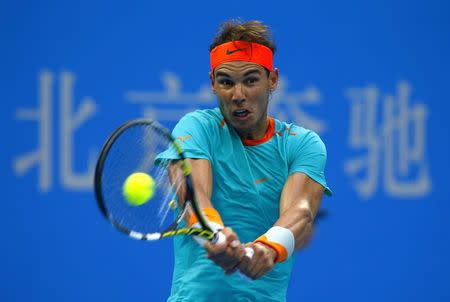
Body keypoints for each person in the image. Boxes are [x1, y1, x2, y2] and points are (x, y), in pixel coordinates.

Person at [163, 19, 332, 302]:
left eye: (251, 80)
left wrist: (268, 248)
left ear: (273, 80)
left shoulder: (302, 144)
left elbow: (301, 210)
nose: (238, 95)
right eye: (226, 82)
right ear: (212, 84)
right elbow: (193, 196)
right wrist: (215, 235)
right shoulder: (196, 128)